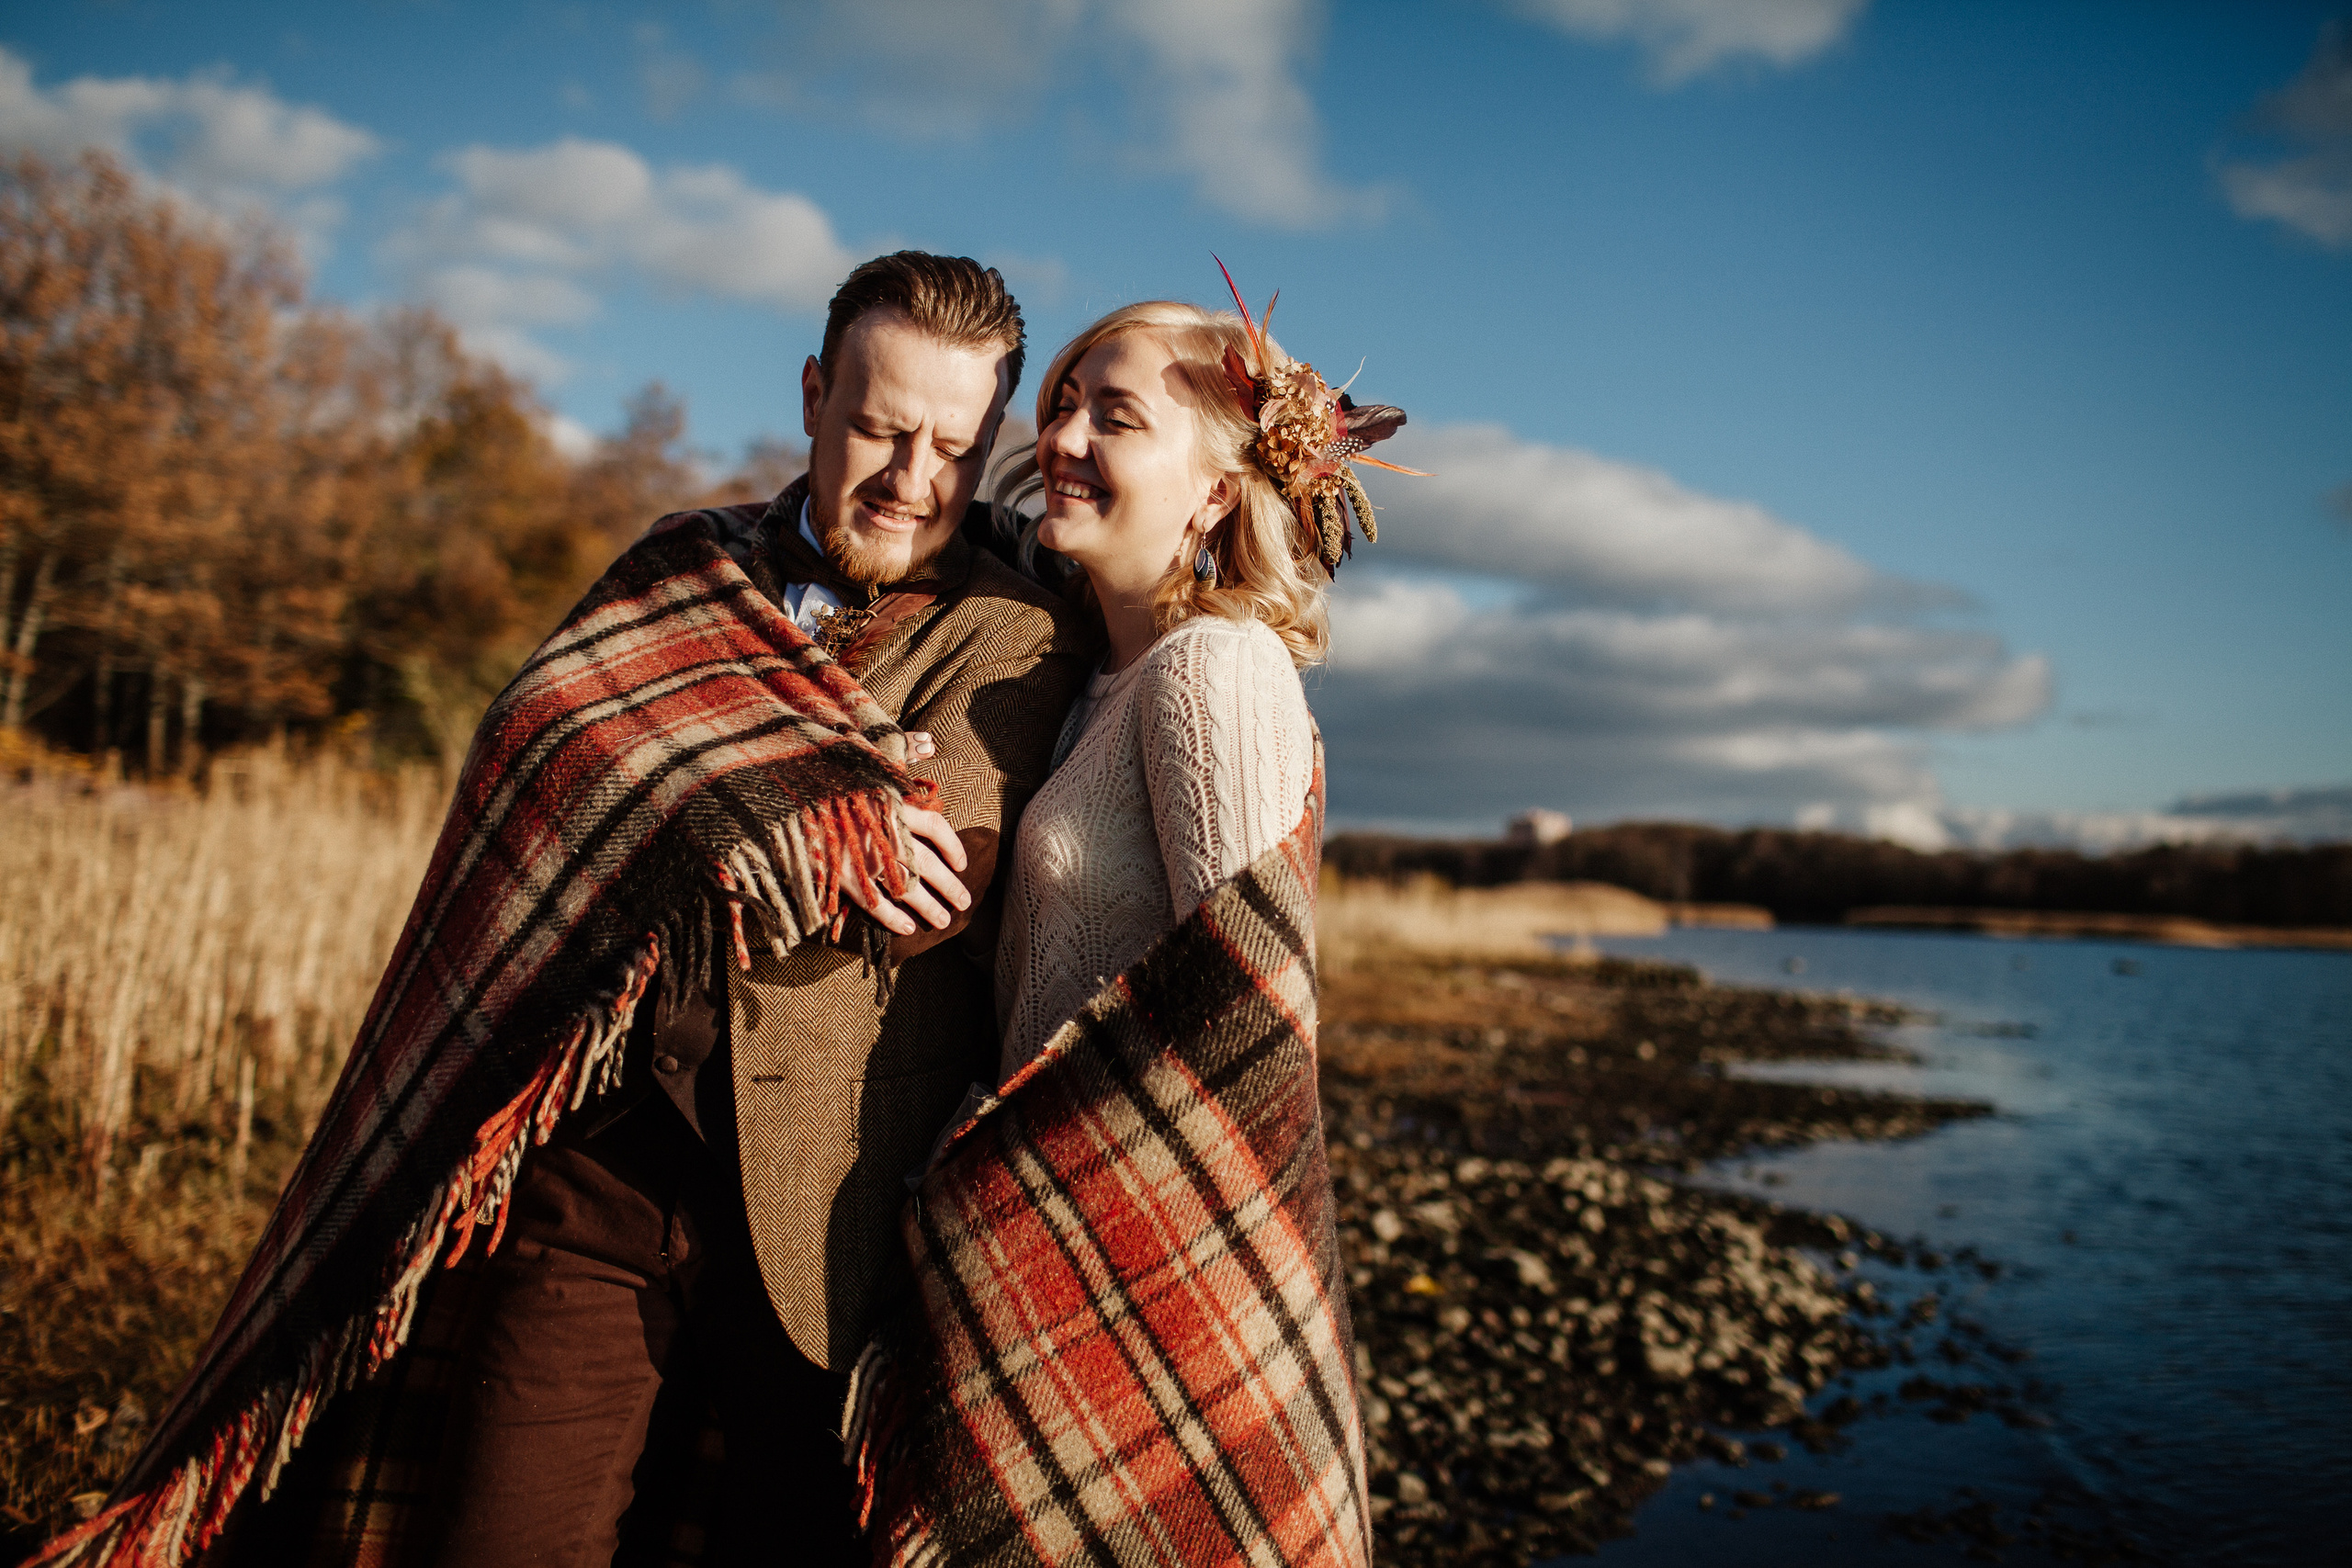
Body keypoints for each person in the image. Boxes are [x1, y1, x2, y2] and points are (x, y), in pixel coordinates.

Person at [32, 253, 1093, 1568]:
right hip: (588, 1175)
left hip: (827, 1225)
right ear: (816, 394)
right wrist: (796, 804)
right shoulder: (676, 574)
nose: (911, 478)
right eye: (880, 428)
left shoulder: (1016, 635)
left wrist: (727, 799)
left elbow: (939, 883)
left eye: (951, 443)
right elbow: (537, 756)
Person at [844, 285, 1414, 1566]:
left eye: (1117, 417)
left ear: (1217, 490)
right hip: (1057, 1247)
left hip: (1144, 1269)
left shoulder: (1214, 670)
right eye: (1061, 408)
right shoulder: (1096, 685)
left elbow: (1253, 1028)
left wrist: (1002, 1170)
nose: (1063, 441)